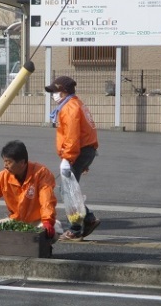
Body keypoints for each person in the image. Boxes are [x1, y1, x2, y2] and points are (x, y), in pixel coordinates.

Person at [45, 76, 100, 241]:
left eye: (55, 92)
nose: (53, 95)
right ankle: (88, 219)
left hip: (77, 152)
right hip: (84, 151)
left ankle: (77, 228)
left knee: (68, 191)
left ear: (64, 92)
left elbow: (72, 136)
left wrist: (67, 158)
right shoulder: (76, 104)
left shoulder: (69, 108)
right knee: (69, 189)